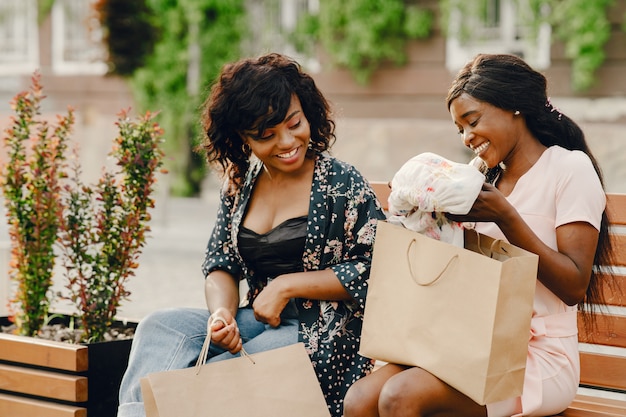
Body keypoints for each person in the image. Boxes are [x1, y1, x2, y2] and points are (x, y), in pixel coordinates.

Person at [343, 53, 615, 417]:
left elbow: (574, 285)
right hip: (469, 343)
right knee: (359, 400)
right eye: (460, 129)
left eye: (472, 122)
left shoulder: (568, 168)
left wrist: (506, 216)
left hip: (538, 358)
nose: (468, 138)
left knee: (401, 397)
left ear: (514, 106)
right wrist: (419, 210)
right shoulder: (480, 183)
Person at [116, 52, 386, 417]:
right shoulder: (240, 185)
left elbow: (376, 267)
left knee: (221, 377)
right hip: (254, 321)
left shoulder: (341, 182)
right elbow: (220, 262)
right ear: (243, 138)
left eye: (294, 123)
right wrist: (222, 315)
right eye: (266, 135)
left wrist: (286, 286)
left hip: (324, 334)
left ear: (308, 112)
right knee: (159, 328)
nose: (287, 142)